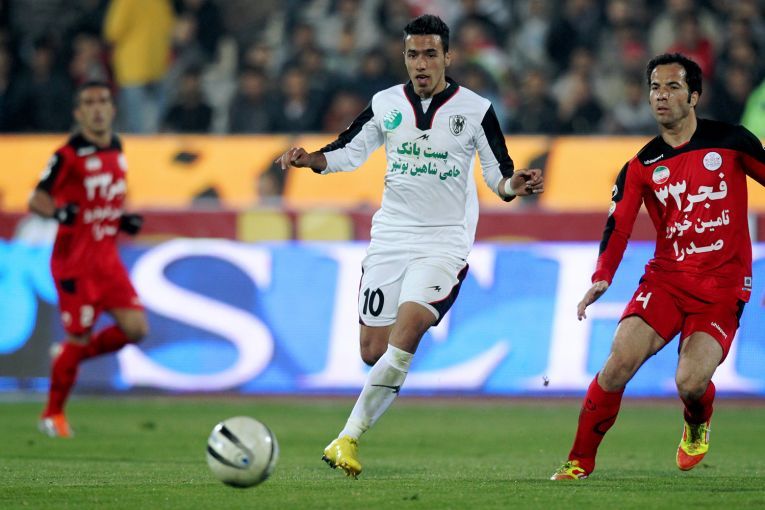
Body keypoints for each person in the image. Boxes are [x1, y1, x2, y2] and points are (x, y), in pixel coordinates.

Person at [275, 14, 543, 478]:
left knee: (412, 324)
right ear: (404, 57)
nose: (421, 63)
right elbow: (349, 149)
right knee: (372, 350)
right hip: (392, 237)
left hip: (444, 241)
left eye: (430, 54)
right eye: (413, 55)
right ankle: (368, 406)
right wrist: (311, 159)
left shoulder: (476, 109)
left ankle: (347, 438)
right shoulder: (386, 103)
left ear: (448, 57)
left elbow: (497, 172)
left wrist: (511, 185)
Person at [551, 53, 765, 480]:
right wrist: (601, 277)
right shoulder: (641, 165)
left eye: (672, 87)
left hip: (722, 286)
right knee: (618, 363)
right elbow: (618, 226)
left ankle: (697, 419)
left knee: (690, 382)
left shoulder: (731, 141)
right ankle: (578, 461)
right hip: (666, 281)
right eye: (654, 88)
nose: (661, 96)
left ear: (694, 96)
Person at [28, 81, 149, 438]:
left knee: (136, 329)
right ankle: (52, 415)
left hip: (107, 259)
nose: (97, 108)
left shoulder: (117, 147)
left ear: (112, 109)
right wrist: (58, 212)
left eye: (102, 101)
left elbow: (104, 198)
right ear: (78, 113)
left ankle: (68, 356)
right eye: (89, 103)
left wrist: (121, 219)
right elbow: (37, 199)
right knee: (78, 335)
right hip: (75, 263)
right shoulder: (67, 155)